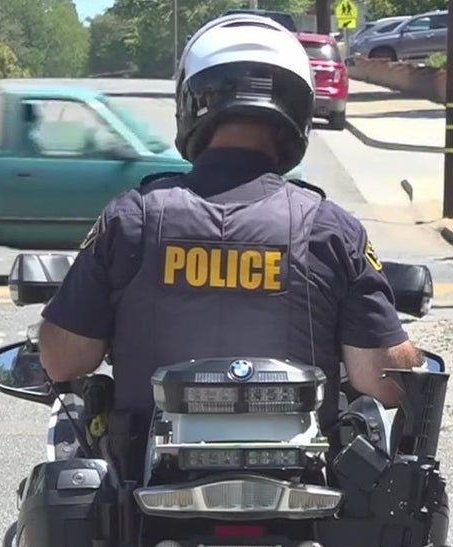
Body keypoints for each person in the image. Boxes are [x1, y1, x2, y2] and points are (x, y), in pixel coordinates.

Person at [37, 14, 421, 469]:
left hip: (145, 498)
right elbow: (386, 379)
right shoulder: (331, 229)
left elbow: (61, 362)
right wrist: (408, 352)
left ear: (192, 103)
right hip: (304, 499)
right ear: (298, 111)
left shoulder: (132, 218)